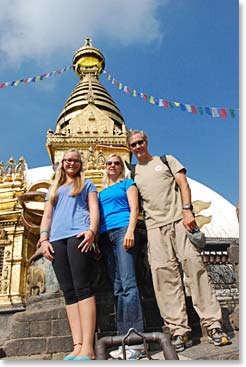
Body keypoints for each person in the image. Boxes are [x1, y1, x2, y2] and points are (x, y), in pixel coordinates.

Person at [127, 130, 231, 352]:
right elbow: (133, 204)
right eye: (133, 145)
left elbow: (184, 184)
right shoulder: (133, 173)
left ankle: (213, 324)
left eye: (140, 142)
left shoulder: (166, 160)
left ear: (147, 142)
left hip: (179, 221)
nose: (138, 147)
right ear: (130, 149)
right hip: (155, 227)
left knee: (195, 268)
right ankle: (178, 330)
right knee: (164, 276)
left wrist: (187, 210)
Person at [39, 148, 99, 360]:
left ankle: (88, 347)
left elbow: (93, 208)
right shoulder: (53, 189)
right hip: (57, 239)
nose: (71, 164)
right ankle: (77, 344)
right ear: (61, 163)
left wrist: (92, 231)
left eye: (75, 161)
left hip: (78, 235)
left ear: (80, 164)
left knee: (83, 287)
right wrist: (43, 239)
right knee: (69, 291)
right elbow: (47, 216)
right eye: (67, 160)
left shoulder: (87, 184)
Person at [98, 154, 146, 360]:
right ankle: (123, 340)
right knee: (117, 288)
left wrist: (130, 231)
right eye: (109, 163)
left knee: (128, 284)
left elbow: (135, 208)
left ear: (122, 166)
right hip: (105, 236)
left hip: (123, 229)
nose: (112, 166)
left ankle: (136, 341)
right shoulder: (100, 192)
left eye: (117, 163)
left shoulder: (128, 183)